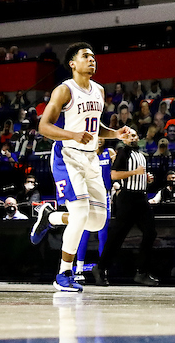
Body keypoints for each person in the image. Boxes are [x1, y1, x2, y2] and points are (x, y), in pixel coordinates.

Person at [28, 42, 137, 293]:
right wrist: (72, 135)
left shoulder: (99, 90)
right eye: (86, 56)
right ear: (72, 64)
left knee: (97, 221)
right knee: (80, 213)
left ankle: (51, 217)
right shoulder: (64, 90)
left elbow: (95, 127)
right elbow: (44, 127)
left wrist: (118, 134)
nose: (92, 60)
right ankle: (63, 274)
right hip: (67, 156)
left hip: (91, 159)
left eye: (93, 56)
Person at [96, 138, 159, 287]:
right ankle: (100, 268)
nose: (133, 137)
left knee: (151, 233)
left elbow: (139, 175)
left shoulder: (142, 155)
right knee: (117, 236)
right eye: (129, 135)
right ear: (124, 139)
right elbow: (114, 175)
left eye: (135, 135)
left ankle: (141, 272)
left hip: (141, 197)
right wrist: (134, 172)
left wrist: (146, 179)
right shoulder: (123, 152)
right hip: (127, 198)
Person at [74, 139, 115, 284]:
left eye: (102, 137)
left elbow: (115, 172)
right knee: (84, 230)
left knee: (103, 233)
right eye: (97, 137)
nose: (100, 140)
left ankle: (102, 268)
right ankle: (78, 269)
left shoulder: (109, 153)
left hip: (104, 195)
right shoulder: (84, 154)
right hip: (88, 194)